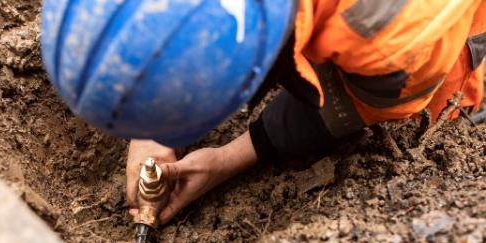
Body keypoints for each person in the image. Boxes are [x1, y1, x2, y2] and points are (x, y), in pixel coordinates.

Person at [42, 0, 486, 224]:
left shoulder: (390, 34)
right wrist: (154, 118)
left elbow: (357, 103)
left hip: (450, 34)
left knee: (448, 90)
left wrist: (234, 155)